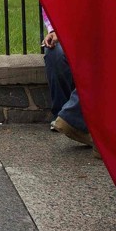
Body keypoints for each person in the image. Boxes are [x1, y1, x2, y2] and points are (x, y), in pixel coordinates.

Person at [41, 9, 92, 149]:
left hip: (94, 32)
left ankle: (71, 117)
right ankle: (61, 116)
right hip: (66, 31)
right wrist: (54, 30)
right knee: (55, 53)